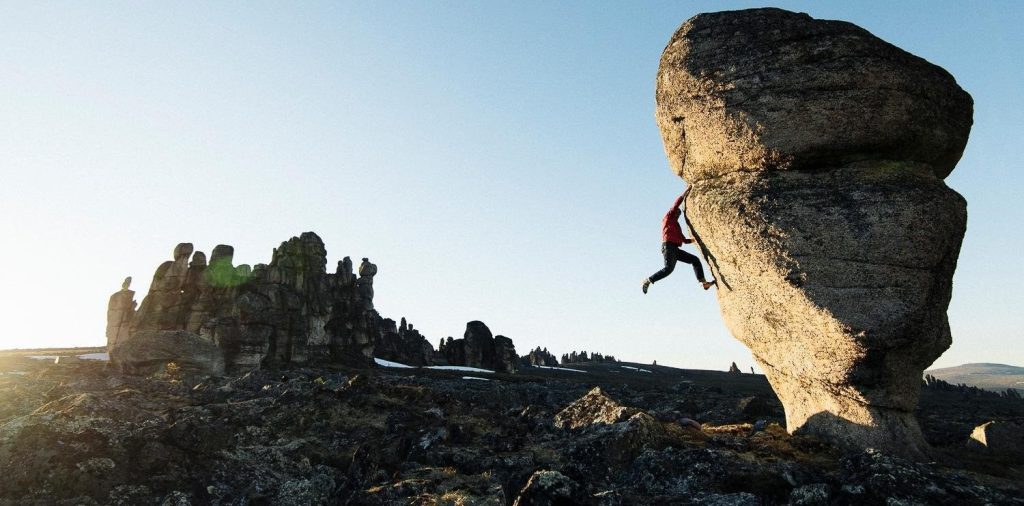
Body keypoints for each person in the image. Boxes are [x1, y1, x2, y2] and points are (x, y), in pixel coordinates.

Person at [642, 192, 715, 293]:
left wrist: (697, 239)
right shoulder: (668, 219)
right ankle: (648, 280)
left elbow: (684, 241)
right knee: (668, 269)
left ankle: (703, 282)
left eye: (678, 215)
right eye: (677, 213)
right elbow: (676, 204)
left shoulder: (677, 226)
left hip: (675, 250)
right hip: (668, 247)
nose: (677, 215)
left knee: (695, 260)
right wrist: (686, 192)